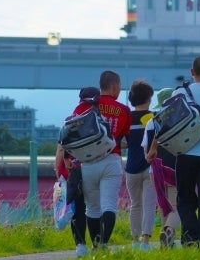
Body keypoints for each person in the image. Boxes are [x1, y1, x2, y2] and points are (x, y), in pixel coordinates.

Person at [146, 57, 200, 247]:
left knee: (185, 198)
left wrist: (154, 147)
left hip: (185, 153)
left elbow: (163, 122)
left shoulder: (180, 92)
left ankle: (190, 237)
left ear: (191, 72)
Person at [66, 70, 131, 250]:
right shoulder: (124, 110)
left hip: (88, 162)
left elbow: (71, 132)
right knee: (109, 206)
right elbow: (126, 138)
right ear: (115, 87)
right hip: (111, 160)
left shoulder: (84, 106)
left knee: (92, 208)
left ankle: (95, 244)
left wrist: (67, 157)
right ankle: (102, 245)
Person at [54, 86, 101, 257]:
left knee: (78, 208)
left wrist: (57, 169)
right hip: (94, 167)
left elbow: (61, 148)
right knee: (94, 207)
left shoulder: (70, 120)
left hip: (74, 170)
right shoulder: (98, 118)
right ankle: (98, 243)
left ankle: (80, 245)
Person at [142, 87, 180, 248]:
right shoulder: (179, 118)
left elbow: (146, 150)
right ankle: (169, 230)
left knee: (164, 206)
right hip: (174, 168)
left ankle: (167, 244)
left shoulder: (151, 122)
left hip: (155, 170)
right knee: (178, 206)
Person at [124, 79, 156, 250]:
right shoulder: (153, 118)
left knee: (135, 204)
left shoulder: (126, 118)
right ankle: (145, 241)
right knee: (149, 205)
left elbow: (123, 142)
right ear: (148, 98)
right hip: (150, 167)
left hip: (131, 167)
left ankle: (135, 240)